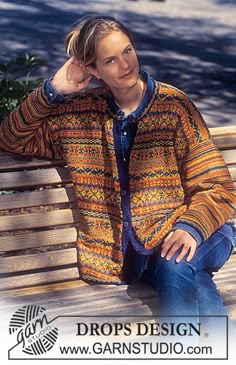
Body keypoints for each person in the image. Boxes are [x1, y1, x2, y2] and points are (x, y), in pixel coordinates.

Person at [0, 15, 235, 318]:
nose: (125, 65)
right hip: (138, 260)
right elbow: (10, 138)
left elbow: (218, 188)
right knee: (193, 284)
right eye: (110, 60)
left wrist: (190, 228)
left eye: (127, 51)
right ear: (92, 70)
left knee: (176, 265)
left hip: (205, 232)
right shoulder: (78, 118)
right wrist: (53, 91)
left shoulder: (173, 106)